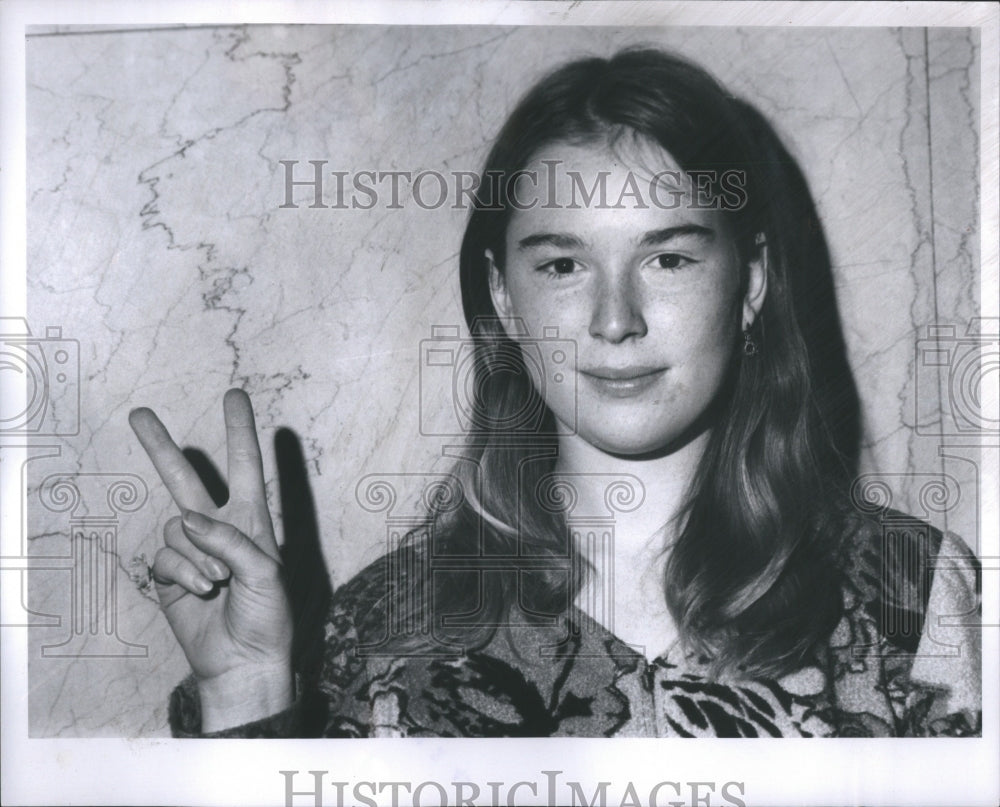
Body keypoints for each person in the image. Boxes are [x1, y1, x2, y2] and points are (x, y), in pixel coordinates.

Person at [129, 48, 981, 738]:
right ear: (504, 294)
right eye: (564, 265)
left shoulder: (912, 595)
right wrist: (246, 692)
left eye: (669, 258)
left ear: (752, 280)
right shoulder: (377, 632)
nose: (616, 319)